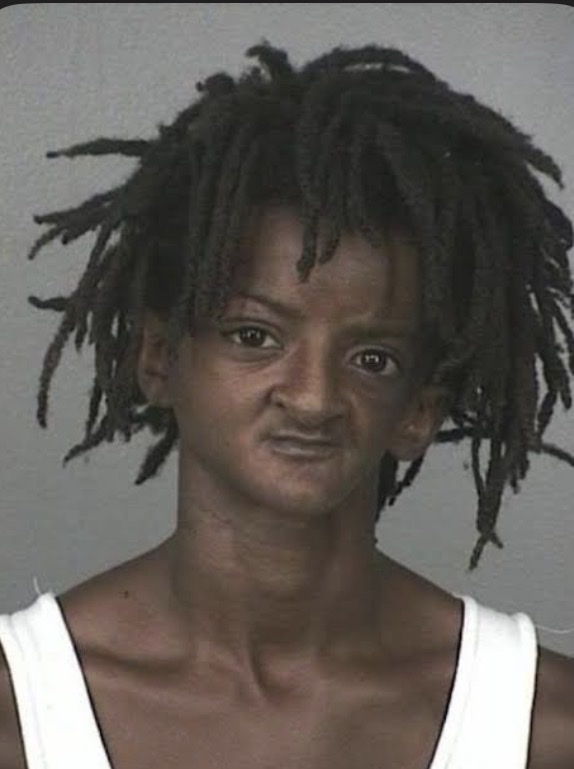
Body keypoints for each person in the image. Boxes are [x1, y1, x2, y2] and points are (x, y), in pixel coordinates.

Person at [1, 41, 573, 769]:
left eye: (372, 358)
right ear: (159, 358)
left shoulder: (545, 727)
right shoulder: (18, 712)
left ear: (418, 411)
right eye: (255, 335)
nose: (312, 397)